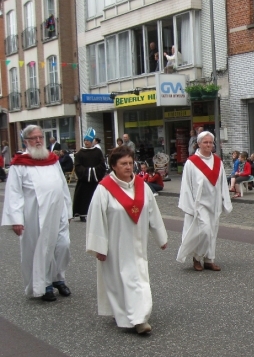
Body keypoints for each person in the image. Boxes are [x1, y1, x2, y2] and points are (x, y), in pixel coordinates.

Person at [86, 145, 168, 334]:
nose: (128, 167)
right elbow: (96, 218)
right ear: (114, 166)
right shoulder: (104, 189)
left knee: (137, 279)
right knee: (118, 281)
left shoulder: (142, 186)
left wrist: (160, 237)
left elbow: (152, 212)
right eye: (123, 163)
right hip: (115, 245)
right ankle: (125, 313)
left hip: (138, 244)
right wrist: (99, 247)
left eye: (131, 163)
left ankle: (139, 318)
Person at [1, 125, 73, 301]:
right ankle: (44, 284)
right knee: (40, 249)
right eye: (34, 138)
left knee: (63, 245)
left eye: (40, 137)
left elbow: (62, 185)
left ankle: (58, 277)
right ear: (26, 141)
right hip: (35, 215)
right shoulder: (20, 164)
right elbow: (14, 193)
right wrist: (16, 219)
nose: (39, 140)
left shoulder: (52, 159)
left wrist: (68, 209)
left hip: (58, 211)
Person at [176, 131, 232, 271]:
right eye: (205, 142)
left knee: (212, 231)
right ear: (199, 144)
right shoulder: (191, 162)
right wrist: (188, 204)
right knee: (204, 230)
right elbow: (186, 185)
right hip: (199, 203)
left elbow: (222, 183)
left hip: (214, 202)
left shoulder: (217, 161)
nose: (208, 145)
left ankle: (209, 259)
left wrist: (225, 200)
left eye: (210, 142)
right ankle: (197, 257)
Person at [73, 129, 106, 222]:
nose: (86, 142)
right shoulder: (80, 153)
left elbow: (102, 164)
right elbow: (78, 166)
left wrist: (94, 172)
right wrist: (87, 172)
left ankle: (97, 213)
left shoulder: (97, 152)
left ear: (92, 141)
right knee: (83, 197)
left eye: (88, 140)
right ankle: (83, 214)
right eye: (85, 140)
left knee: (95, 196)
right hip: (84, 181)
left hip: (95, 181)